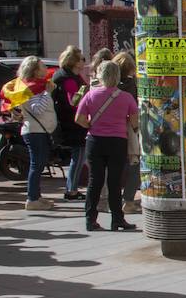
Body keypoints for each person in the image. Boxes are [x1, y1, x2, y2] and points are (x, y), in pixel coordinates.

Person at [75, 60, 139, 232]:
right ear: (117, 76)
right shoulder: (126, 97)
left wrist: (91, 125)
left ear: (100, 75)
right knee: (114, 182)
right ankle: (117, 219)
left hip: (95, 141)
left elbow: (79, 119)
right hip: (117, 141)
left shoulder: (90, 95)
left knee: (94, 181)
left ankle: (90, 220)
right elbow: (135, 122)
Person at [7, 57, 58, 211]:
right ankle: (32, 199)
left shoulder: (36, 86)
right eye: (42, 66)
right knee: (37, 164)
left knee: (39, 164)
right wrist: (47, 93)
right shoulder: (31, 88)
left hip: (39, 130)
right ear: (35, 70)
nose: (46, 68)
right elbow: (37, 109)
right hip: (35, 131)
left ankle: (36, 196)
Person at [52, 46, 88, 201]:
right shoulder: (69, 79)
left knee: (78, 156)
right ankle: (71, 190)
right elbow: (74, 102)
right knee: (78, 157)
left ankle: (71, 188)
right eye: (82, 59)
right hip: (73, 124)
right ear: (74, 62)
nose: (84, 61)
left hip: (69, 123)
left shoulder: (65, 76)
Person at [113, 52, 141, 214]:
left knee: (114, 169)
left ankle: (113, 201)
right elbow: (134, 114)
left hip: (108, 132)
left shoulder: (105, 87)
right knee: (134, 165)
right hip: (129, 130)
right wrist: (136, 129)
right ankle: (128, 201)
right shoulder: (132, 86)